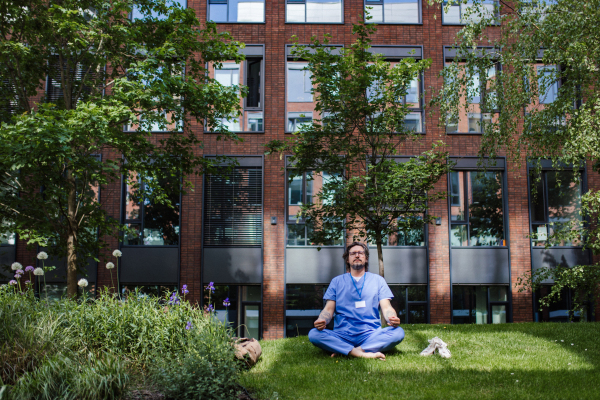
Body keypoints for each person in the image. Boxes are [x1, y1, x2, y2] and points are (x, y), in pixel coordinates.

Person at [308, 242, 405, 360]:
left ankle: (349, 350)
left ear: (366, 258)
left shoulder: (378, 280)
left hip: (371, 334)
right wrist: (322, 319)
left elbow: (387, 307)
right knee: (314, 334)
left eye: (361, 253)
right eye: (353, 253)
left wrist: (392, 317)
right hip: (342, 334)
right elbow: (328, 309)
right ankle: (363, 352)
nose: (357, 255)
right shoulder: (336, 281)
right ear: (347, 259)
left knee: (398, 332)